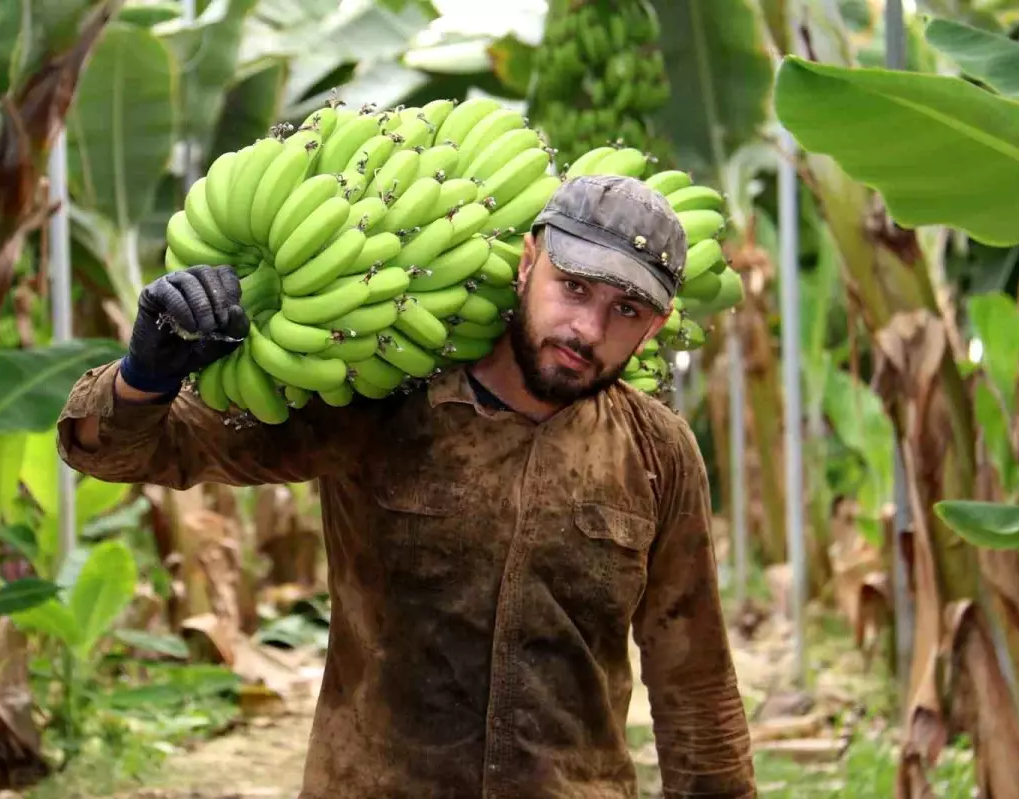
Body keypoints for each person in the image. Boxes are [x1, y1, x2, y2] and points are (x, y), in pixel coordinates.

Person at [57, 174, 756, 798]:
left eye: (625, 310)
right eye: (573, 287)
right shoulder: (379, 394)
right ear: (527, 262)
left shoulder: (657, 453)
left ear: (656, 324)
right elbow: (144, 449)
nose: (587, 327)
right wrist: (144, 376)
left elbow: (693, 679)